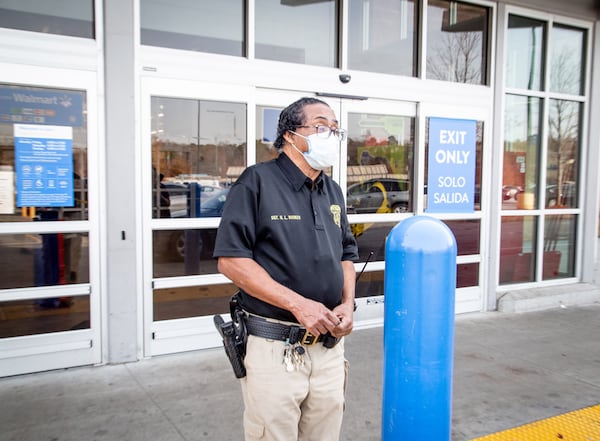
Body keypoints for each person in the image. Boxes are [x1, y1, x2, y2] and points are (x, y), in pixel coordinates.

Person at [213, 97, 359, 441]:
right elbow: (231, 260)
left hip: (328, 348)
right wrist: (297, 304)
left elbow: (347, 253)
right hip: (275, 349)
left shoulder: (332, 190)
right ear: (291, 135)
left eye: (336, 129)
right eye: (322, 126)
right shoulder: (257, 182)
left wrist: (348, 303)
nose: (332, 134)